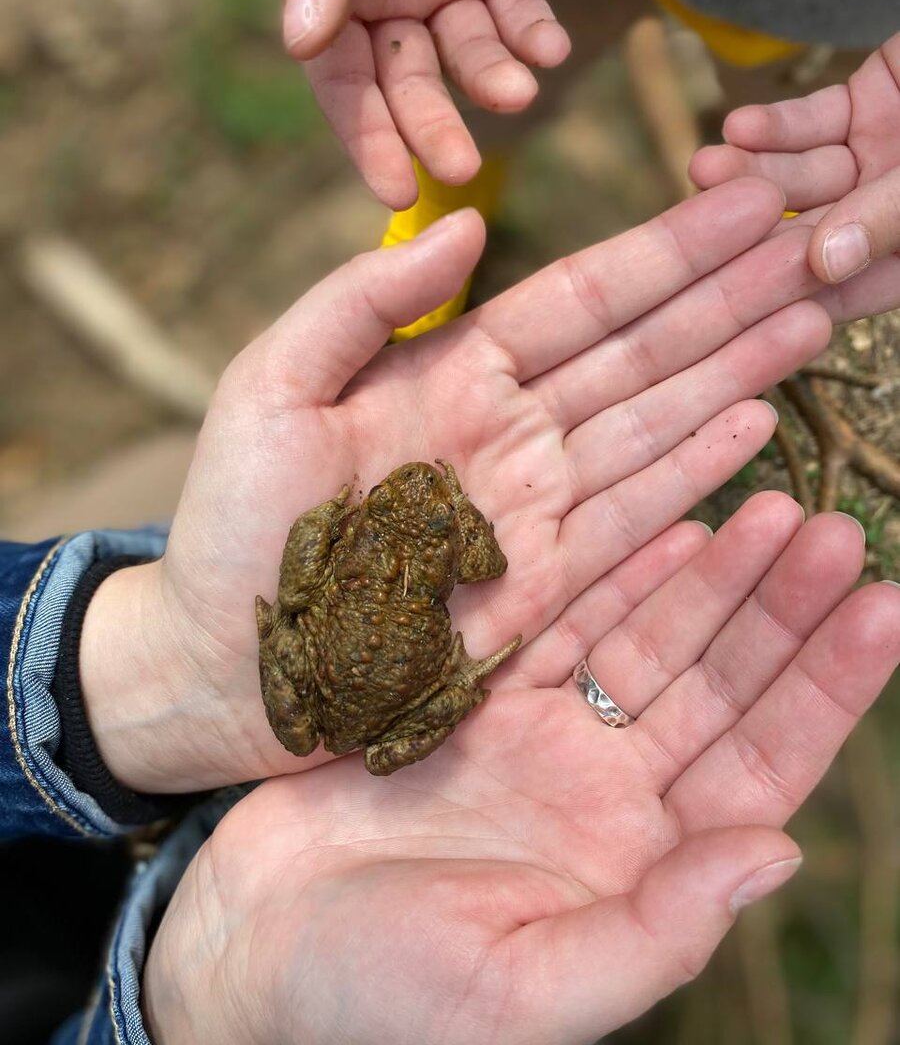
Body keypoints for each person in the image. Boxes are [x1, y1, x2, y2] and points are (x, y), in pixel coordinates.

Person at [2, 180, 898, 1042]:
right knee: (243, 547)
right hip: (371, 703)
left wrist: (203, 640)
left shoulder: (347, 543)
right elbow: (487, 562)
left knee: (238, 556)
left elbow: (304, 565)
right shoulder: (433, 559)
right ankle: (427, 685)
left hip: (320, 683)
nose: (420, 490)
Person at [276, 0, 900, 302]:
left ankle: (762, 293)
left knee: (789, 161)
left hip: (833, 5)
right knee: (465, 80)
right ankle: (435, 244)